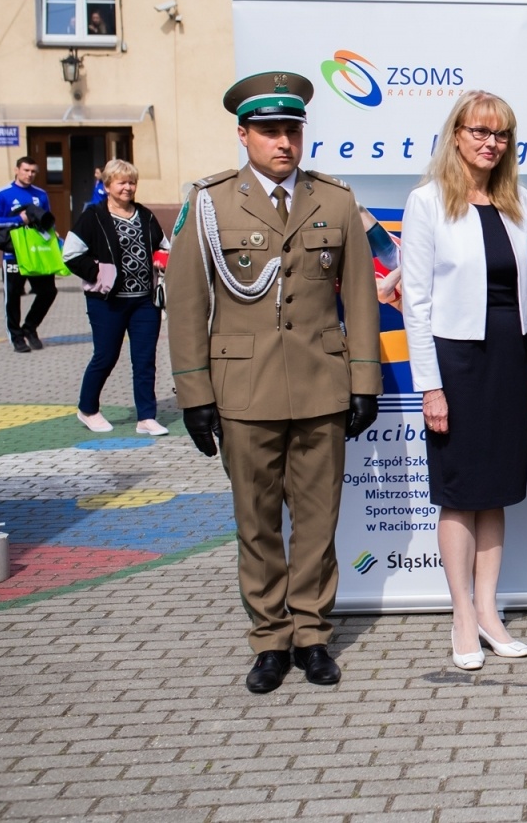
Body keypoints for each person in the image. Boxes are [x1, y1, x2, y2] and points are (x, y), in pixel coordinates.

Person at [167, 71, 381, 693]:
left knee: (317, 519)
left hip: (320, 385)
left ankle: (312, 634)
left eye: (292, 129)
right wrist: (195, 394)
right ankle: (269, 639)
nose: (283, 142)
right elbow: (186, 304)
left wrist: (363, 381)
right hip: (243, 391)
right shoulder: (209, 203)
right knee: (256, 522)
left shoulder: (334, 200)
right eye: (268, 131)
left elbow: (361, 297)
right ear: (244, 135)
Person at [402, 90, 527, 671]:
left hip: (509, 358)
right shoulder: (426, 201)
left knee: (497, 490)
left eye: (501, 134)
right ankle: (462, 614)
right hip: (456, 361)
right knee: (460, 494)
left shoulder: (519, 200)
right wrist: (430, 386)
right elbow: (415, 302)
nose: (491, 143)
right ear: (456, 135)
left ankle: (489, 610)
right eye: (479, 131)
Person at [61, 159, 170, 435]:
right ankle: (88, 409)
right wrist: (98, 273)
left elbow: (163, 246)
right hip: (107, 302)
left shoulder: (145, 215)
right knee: (106, 356)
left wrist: (161, 259)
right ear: (108, 185)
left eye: (132, 182)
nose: (128, 187)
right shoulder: (93, 216)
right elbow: (71, 254)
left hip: (144, 302)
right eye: (122, 182)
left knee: (145, 360)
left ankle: (146, 417)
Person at [0, 156, 57, 352]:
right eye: (26, 170)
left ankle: (30, 327)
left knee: (48, 291)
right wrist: (18, 219)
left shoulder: (40, 194)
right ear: (17, 170)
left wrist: (55, 238)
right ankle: (16, 336)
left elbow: (48, 220)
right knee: (13, 295)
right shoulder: (3, 193)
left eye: (33, 171)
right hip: (13, 253)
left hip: (36, 253)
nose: (30, 174)